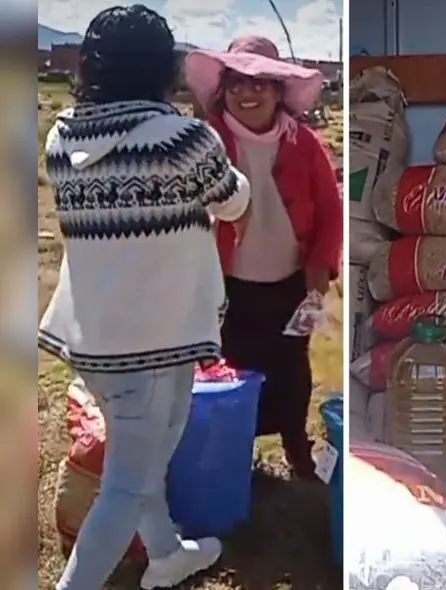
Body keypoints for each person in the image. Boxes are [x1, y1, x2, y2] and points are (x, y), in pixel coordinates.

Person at [38, 5, 252, 590]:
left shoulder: (61, 136)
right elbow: (234, 201)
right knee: (127, 485)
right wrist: (207, 134)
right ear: (165, 65)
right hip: (158, 343)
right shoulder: (184, 137)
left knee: (143, 461)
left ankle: (166, 555)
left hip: (93, 339)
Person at [184, 36, 342, 478]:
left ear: (278, 92)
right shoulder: (206, 142)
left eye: (259, 84)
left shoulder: (304, 143)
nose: (247, 94)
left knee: (291, 369)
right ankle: (235, 456)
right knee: (230, 368)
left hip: (291, 281)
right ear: (223, 91)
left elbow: (330, 210)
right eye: (236, 84)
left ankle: (296, 447)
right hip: (227, 284)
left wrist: (320, 270)